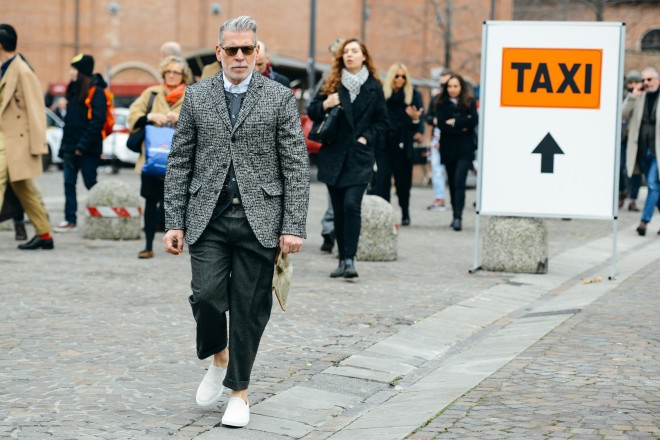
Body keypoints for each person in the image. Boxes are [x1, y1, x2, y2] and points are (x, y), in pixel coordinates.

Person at [163, 16, 309, 427]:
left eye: (248, 49)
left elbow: (295, 165)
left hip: (260, 219)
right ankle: (219, 356)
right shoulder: (197, 95)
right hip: (207, 217)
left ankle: (239, 392)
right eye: (233, 49)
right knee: (206, 296)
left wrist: (293, 225)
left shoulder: (279, 97)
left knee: (248, 307)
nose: (241, 56)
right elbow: (180, 161)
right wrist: (173, 221)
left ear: (257, 51)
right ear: (219, 52)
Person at [307, 37, 388, 278]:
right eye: (346, 52)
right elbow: (312, 111)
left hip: (359, 156)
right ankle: (342, 259)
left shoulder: (374, 87)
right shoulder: (331, 83)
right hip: (334, 155)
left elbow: (382, 122)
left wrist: (366, 138)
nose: (349, 55)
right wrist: (326, 103)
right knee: (339, 209)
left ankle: (350, 259)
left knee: (352, 205)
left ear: (364, 57)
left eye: (354, 51)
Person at [128, 55, 191, 259]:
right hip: (152, 160)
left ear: (183, 75)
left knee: (179, 203)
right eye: (168, 72)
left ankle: (177, 242)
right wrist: (150, 117)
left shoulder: (191, 95)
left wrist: (180, 118)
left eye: (176, 72)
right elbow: (132, 116)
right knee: (150, 201)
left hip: (180, 162)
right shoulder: (152, 93)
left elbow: (203, 123)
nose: (171, 75)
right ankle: (148, 245)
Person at [0, 24, 54, 250]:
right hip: (7, 139)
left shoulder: (22, 71)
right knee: (26, 190)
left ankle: (44, 234)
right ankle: (44, 234)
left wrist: (38, 145)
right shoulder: (6, 68)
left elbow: (35, 109)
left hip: (14, 141)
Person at [54, 54, 108, 232]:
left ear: (82, 71)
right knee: (68, 184)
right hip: (70, 147)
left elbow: (97, 122)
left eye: (74, 68)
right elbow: (70, 122)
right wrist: (65, 147)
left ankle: (104, 216)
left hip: (88, 149)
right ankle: (70, 219)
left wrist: (82, 146)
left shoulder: (96, 91)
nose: (71, 72)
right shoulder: (73, 89)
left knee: (90, 183)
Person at [373, 63, 424, 226]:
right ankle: (385, 214)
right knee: (382, 183)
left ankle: (405, 211)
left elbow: (418, 123)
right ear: (391, 77)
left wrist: (415, 120)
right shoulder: (382, 94)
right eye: (397, 76)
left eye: (403, 76)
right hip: (384, 145)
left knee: (403, 184)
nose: (400, 79)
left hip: (403, 145)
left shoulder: (413, 95)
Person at [436, 73, 478, 232]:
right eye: (450, 86)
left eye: (455, 86)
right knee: (453, 183)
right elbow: (442, 125)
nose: (452, 89)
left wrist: (454, 122)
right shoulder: (441, 103)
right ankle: (455, 212)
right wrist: (462, 127)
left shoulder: (469, 102)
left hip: (465, 149)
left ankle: (458, 217)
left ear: (461, 87)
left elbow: (473, 120)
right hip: (448, 149)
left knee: (460, 181)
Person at [623, 66, 660, 236]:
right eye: (643, 80)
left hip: (657, 151)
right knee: (655, 188)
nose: (646, 82)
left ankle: (644, 222)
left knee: (652, 184)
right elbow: (623, 114)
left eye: (649, 79)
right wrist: (633, 96)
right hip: (642, 151)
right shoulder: (638, 97)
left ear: (657, 80)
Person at [426, 71, 452, 212]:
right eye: (442, 84)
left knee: (454, 169)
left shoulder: (460, 99)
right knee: (436, 168)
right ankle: (439, 197)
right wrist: (435, 120)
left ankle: (455, 199)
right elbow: (428, 117)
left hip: (454, 137)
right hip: (438, 137)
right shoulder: (436, 98)